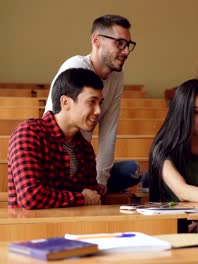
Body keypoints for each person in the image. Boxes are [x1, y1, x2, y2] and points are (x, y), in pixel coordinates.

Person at [43, 14, 140, 195]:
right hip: (61, 161)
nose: (126, 51)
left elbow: (109, 130)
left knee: (132, 170)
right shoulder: (76, 68)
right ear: (96, 41)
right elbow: (55, 123)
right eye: (119, 43)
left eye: (128, 45)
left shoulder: (118, 76)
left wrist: (100, 180)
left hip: (85, 160)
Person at [8, 68, 104, 209]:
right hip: (30, 228)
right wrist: (82, 198)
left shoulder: (85, 149)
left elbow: (91, 196)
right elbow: (30, 197)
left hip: (74, 227)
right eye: (92, 102)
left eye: (100, 103)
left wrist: (94, 193)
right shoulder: (29, 133)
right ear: (65, 102)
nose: (98, 111)